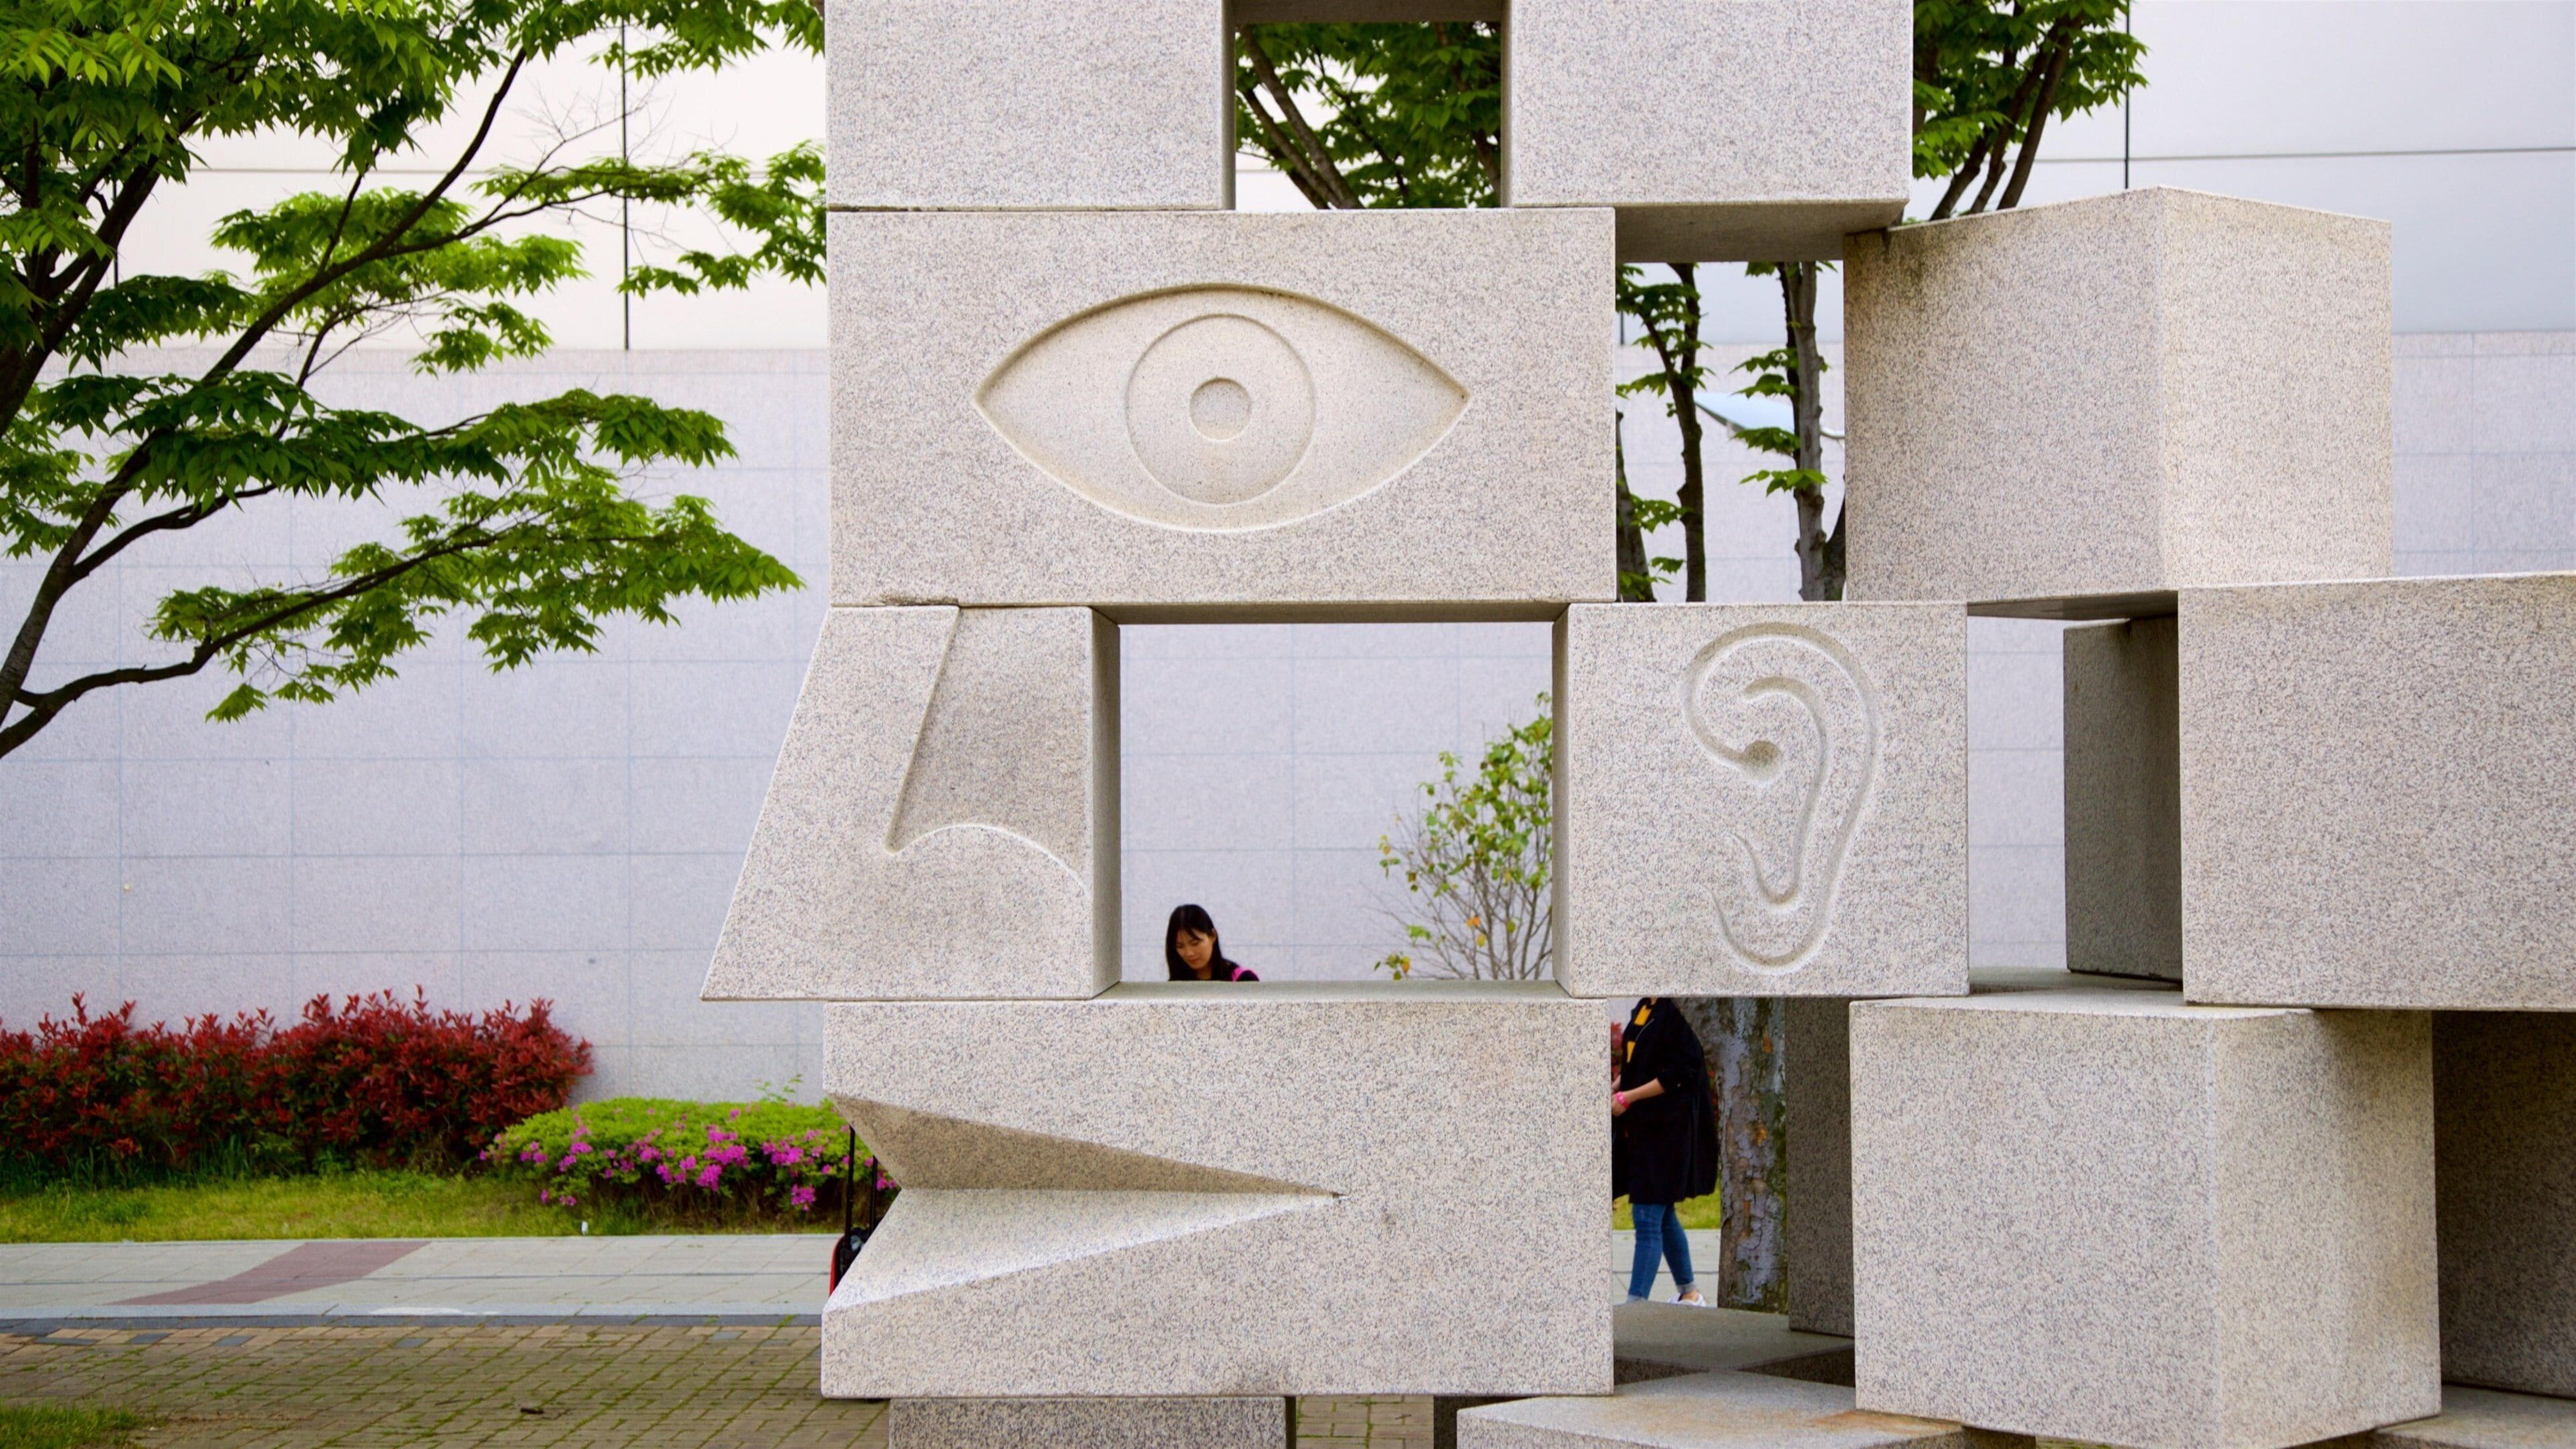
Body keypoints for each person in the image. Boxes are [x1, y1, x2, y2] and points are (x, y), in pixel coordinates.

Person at [1613, 996, 1719, 1307]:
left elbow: (1679, 1072)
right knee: (1663, 1215)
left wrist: (1628, 1097)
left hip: (1669, 1132)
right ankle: (1690, 1293)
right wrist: (1618, 1085)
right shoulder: (1646, 1007)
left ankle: (1635, 1306)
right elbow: (1638, 1061)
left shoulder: (1675, 1014)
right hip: (1646, 1130)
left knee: (1647, 1216)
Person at [1165, 903, 1258, 981]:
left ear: (1213, 936)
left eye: (1195, 943)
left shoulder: (1243, 980)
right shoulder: (1174, 989)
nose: (1189, 953)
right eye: (1180, 946)